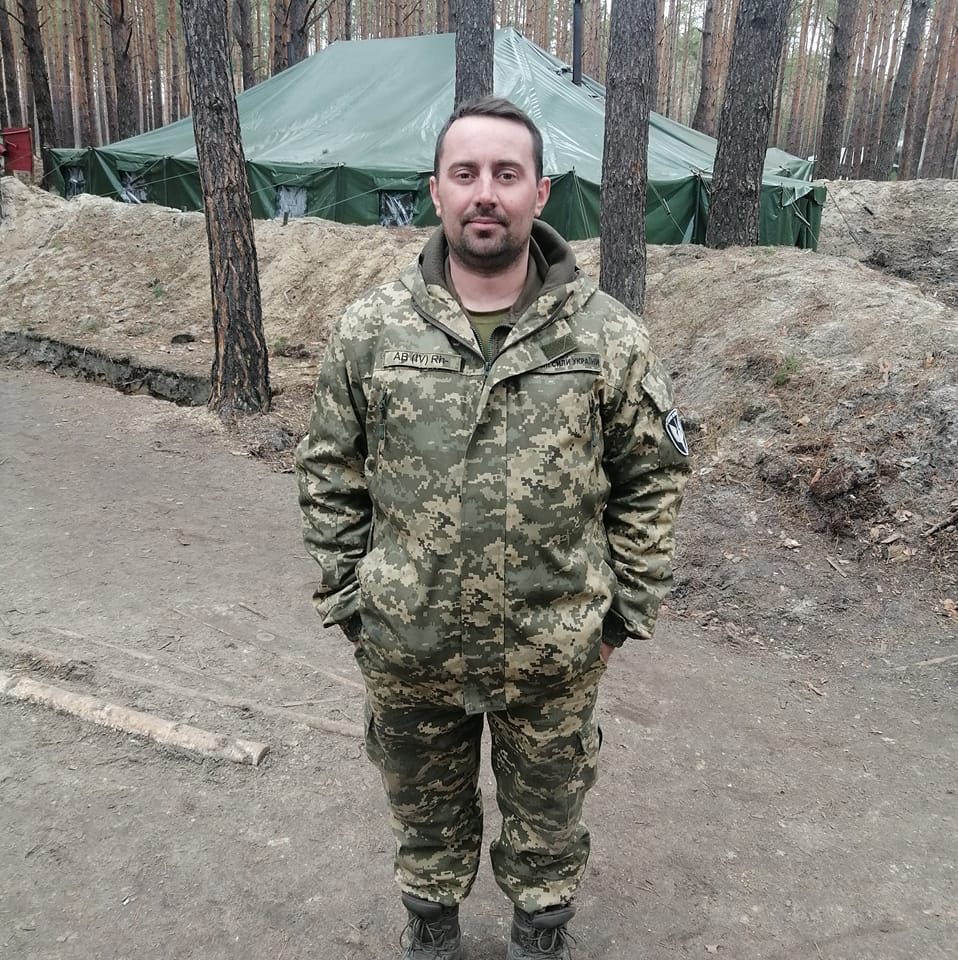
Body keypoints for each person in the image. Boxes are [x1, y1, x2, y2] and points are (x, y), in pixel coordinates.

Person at [295, 96, 690, 960]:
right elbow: (329, 470)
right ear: (436, 191)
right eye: (465, 173)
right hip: (410, 644)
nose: (485, 193)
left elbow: (652, 478)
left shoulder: (606, 335)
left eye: (506, 174)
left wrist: (619, 618)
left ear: (539, 193)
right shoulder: (373, 328)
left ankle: (539, 935)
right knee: (422, 810)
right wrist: (352, 602)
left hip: (554, 648)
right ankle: (431, 930)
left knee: (549, 813)